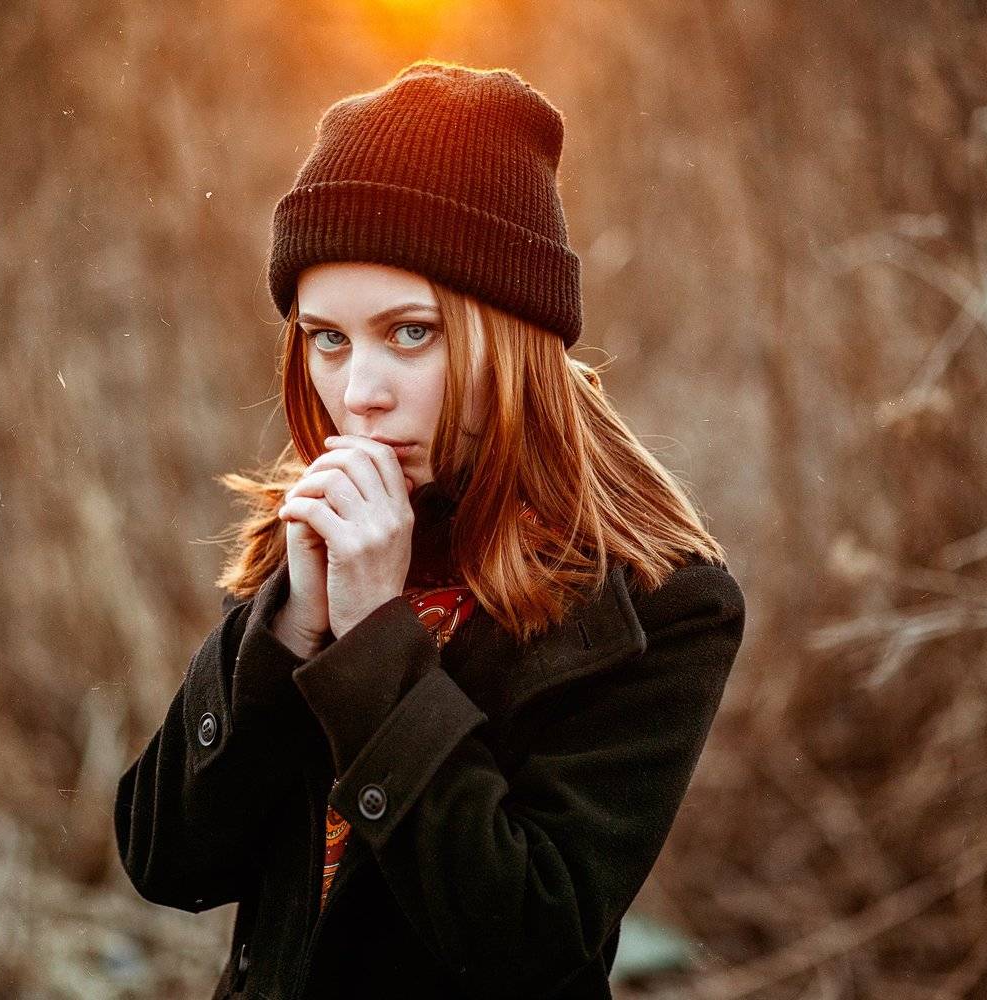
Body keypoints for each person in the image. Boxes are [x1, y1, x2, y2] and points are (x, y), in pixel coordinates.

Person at [114, 58, 747, 1000]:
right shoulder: (325, 530)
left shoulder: (662, 603)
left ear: (514, 334)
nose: (359, 393)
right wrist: (287, 627)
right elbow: (170, 864)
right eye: (328, 338)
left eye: (412, 331)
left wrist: (377, 641)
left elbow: (525, 940)